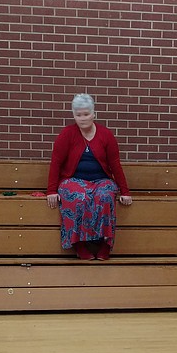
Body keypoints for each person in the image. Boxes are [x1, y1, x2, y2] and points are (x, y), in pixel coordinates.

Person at [46, 93, 132, 260]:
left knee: (105, 196)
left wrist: (125, 191)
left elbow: (115, 165)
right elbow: (55, 162)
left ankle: (105, 243)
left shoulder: (106, 135)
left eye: (86, 114)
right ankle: (79, 244)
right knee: (78, 197)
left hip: (101, 180)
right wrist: (51, 190)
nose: (82, 118)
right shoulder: (67, 134)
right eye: (78, 115)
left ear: (93, 114)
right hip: (73, 180)